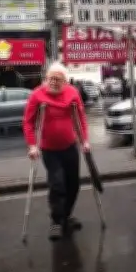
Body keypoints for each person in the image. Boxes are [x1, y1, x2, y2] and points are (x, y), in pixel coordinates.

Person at [23, 62, 89, 241]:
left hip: (69, 146)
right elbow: (28, 122)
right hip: (49, 149)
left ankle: (66, 217)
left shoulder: (72, 93)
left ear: (65, 81)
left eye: (57, 79)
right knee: (57, 184)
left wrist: (85, 141)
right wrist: (32, 145)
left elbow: (81, 117)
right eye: (50, 78)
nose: (52, 82)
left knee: (73, 185)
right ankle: (56, 222)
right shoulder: (37, 95)